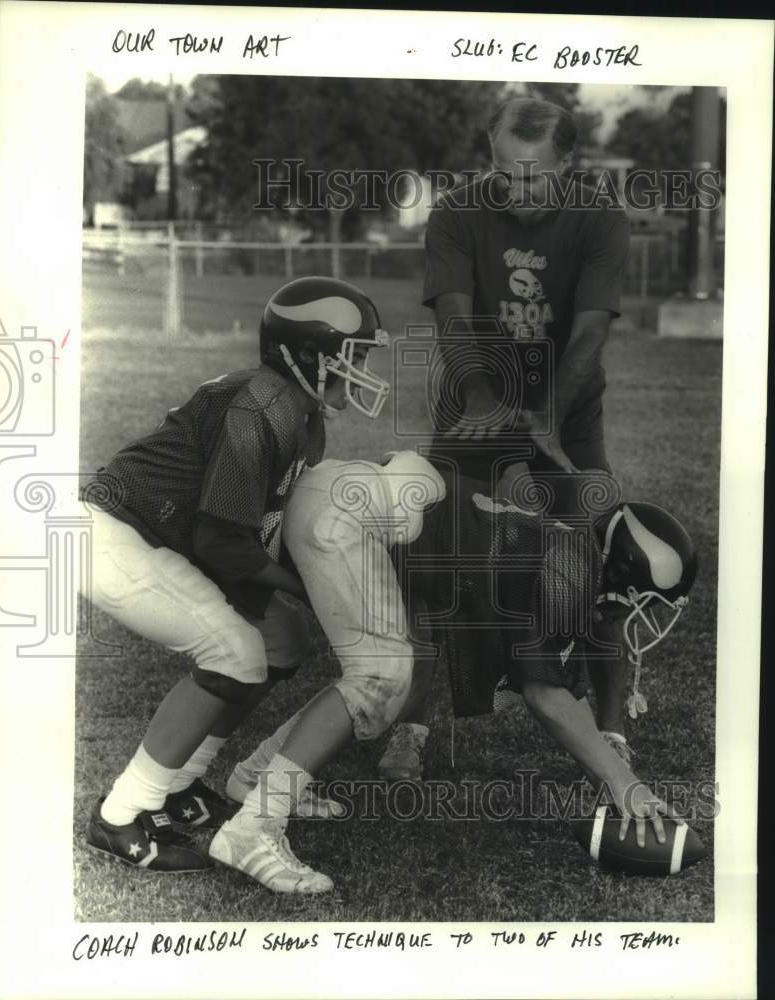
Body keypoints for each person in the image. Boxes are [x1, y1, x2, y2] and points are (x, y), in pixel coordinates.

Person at [81, 275, 391, 872]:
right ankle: (121, 815)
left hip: (165, 537)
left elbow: (258, 526)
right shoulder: (263, 408)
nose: (363, 371)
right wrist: (314, 592)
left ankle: (183, 786)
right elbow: (222, 541)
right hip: (118, 534)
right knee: (235, 652)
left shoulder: (300, 414)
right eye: (354, 356)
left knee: (283, 640)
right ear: (308, 355)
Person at [378, 94, 635, 780]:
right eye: (504, 170)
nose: (516, 187)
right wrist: (492, 405)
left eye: (534, 173)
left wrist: (546, 416)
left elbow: (589, 331)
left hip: (568, 419)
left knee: (603, 566)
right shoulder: (459, 211)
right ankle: (412, 725)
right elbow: (456, 325)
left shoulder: (600, 217)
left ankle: (611, 731)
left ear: (569, 162)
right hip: (474, 412)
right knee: (431, 570)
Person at [398, 487, 697, 849]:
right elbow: (543, 692)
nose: (643, 617)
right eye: (645, 603)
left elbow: (565, 688)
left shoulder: (577, 556)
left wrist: (610, 780)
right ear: (620, 574)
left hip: (422, 539)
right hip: (388, 540)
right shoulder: (568, 569)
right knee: (381, 685)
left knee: (395, 670)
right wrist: (625, 785)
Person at [208, 451, 446, 893]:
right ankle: (253, 828)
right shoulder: (435, 509)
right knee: (378, 675)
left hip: (323, 493)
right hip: (342, 515)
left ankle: (253, 778)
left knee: (374, 669)